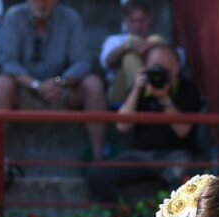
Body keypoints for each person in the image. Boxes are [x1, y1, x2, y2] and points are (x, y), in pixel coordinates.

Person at [0, 0, 107, 161]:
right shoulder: (13, 17)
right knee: (0, 85)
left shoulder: (71, 18)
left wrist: (59, 82)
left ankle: (99, 160)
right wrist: (36, 85)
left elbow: (82, 62)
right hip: (24, 88)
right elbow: (6, 62)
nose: (42, 4)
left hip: (61, 88)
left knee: (93, 85)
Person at [86, 42, 204, 204]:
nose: (159, 75)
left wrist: (164, 99)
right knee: (97, 176)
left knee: (188, 183)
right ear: (145, 68)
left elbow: (183, 130)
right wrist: (136, 89)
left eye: (166, 70)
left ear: (177, 68)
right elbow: (122, 125)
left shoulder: (187, 89)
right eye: (156, 68)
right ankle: (130, 216)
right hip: (140, 155)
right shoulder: (140, 88)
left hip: (175, 155)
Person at [100, 0, 168, 105]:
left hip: (158, 93)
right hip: (122, 97)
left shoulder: (157, 40)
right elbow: (107, 62)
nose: (138, 25)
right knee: (130, 57)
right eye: (133, 21)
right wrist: (127, 47)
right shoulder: (115, 41)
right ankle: (142, 96)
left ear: (150, 19)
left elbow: (179, 61)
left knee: (159, 48)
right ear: (125, 21)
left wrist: (155, 49)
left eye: (142, 20)